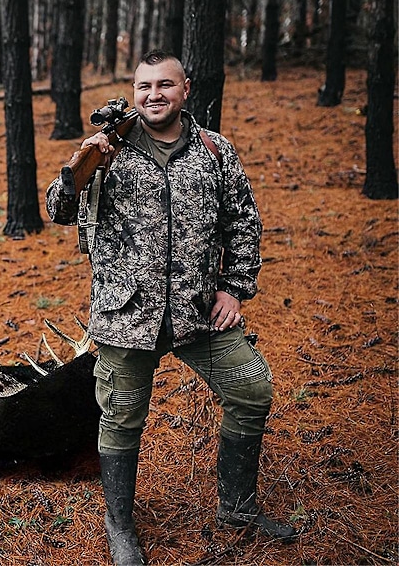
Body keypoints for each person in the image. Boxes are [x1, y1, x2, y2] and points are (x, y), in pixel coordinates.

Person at [46, 49, 296, 566]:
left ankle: (238, 506)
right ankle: (120, 526)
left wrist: (234, 287)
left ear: (185, 91)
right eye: (144, 87)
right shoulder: (108, 150)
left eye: (165, 85)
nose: (153, 95)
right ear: (133, 93)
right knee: (120, 416)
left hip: (199, 309)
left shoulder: (214, 150)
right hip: (126, 312)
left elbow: (243, 222)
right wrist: (81, 166)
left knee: (251, 388)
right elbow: (58, 210)